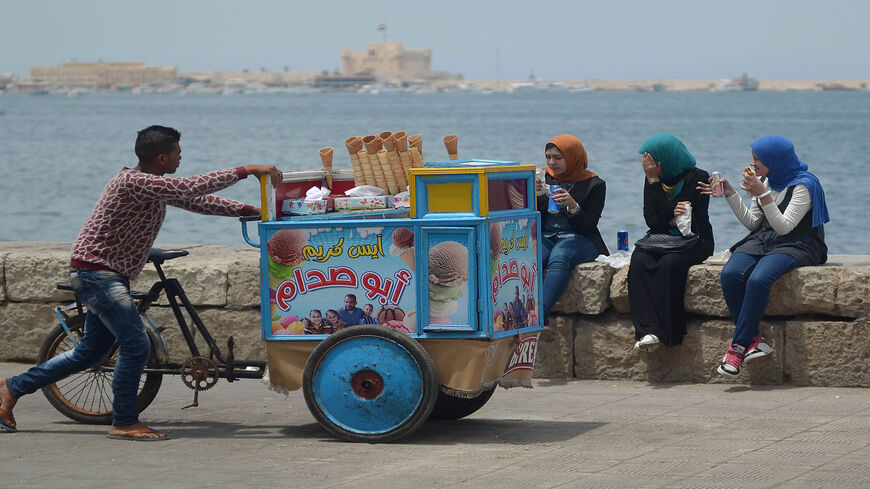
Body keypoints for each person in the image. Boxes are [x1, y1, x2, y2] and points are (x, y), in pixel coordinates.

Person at [0, 125, 281, 440]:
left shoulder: (154, 185)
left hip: (104, 273)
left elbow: (199, 201)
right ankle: (123, 421)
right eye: (177, 152)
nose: (181, 157)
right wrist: (246, 171)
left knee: (91, 354)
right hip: (96, 272)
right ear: (161, 157)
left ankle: (12, 388)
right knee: (136, 344)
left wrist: (257, 212)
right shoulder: (132, 181)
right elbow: (189, 186)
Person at [698, 135, 828, 377]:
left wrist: (763, 193)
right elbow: (753, 223)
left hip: (797, 243)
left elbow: (784, 227)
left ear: (775, 160)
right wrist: (731, 194)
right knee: (731, 273)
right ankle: (754, 339)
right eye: (753, 158)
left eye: (758, 159)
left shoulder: (804, 186)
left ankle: (737, 349)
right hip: (765, 239)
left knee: (758, 279)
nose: (753, 164)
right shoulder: (766, 180)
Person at [629, 133, 713, 351]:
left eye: (650, 160)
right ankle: (646, 331)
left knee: (668, 265)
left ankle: (668, 332)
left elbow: (686, 215)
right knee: (639, 261)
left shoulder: (699, 177)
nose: (646, 166)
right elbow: (651, 219)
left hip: (695, 241)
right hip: (661, 239)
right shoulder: (653, 178)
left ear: (663, 161)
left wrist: (658, 191)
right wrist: (655, 183)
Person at [535, 134, 608, 328]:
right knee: (531, 257)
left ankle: (539, 315)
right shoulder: (541, 178)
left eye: (558, 158)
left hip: (580, 238)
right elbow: (526, 214)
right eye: (548, 157)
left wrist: (573, 206)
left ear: (572, 156)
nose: (552, 162)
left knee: (561, 255)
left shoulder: (594, 184)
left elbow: (588, 226)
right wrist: (530, 195)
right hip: (546, 235)